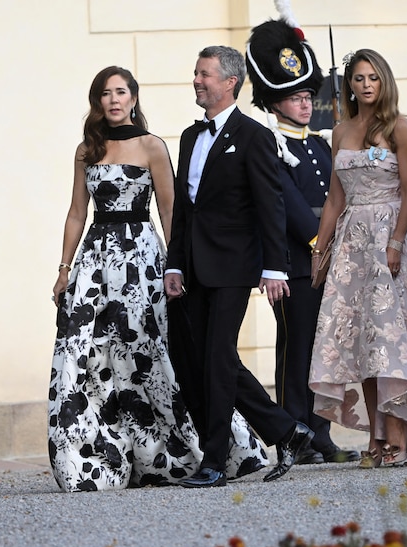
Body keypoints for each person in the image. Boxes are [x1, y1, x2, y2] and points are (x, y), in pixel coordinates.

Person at [48, 66, 268, 492]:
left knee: (150, 351)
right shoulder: (85, 149)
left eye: (121, 92)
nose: (113, 100)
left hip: (143, 258)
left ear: (133, 98)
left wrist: (178, 264)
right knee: (91, 354)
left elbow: (171, 211)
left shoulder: (152, 146)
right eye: (105, 94)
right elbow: (77, 212)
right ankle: (99, 457)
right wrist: (64, 268)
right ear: (97, 103)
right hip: (96, 260)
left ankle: (180, 452)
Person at [164, 45, 314, 489]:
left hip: (233, 267)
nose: (197, 80)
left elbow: (272, 207)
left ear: (229, 82)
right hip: (192, 266)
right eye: (196, 72)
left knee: (216, 359)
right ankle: (287, 430)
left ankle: (214, 462)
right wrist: (174, 265)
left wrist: (276, 269)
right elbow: (183, 212)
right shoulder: (191, 137)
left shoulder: (253, 135)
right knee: (214, 359)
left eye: (205, 74)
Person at [308, 49, 407, 469]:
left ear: (383, 81)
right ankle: (376, 434)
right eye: (358, 78)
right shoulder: (339, 131)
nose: (366, 84)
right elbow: (334, 199)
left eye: (373, 77)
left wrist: (395, 242)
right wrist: (321, 249)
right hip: (352, 244)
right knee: (361, 343)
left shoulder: (400, 127)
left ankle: (401, 434)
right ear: (348, 85)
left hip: (391, 237)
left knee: (395, 341)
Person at [245, 12, 359, 466]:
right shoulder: (272, 144)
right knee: (296, 352)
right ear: (276, 102)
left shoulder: (319, 144)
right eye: (295, 98)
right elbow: (287, 206)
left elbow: (340, 195)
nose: (305, 105)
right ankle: (295, 433)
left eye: (309, 96)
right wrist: (322, 244)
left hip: (329, 258)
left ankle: (321, 433)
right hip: (296, 262)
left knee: (326, 349)